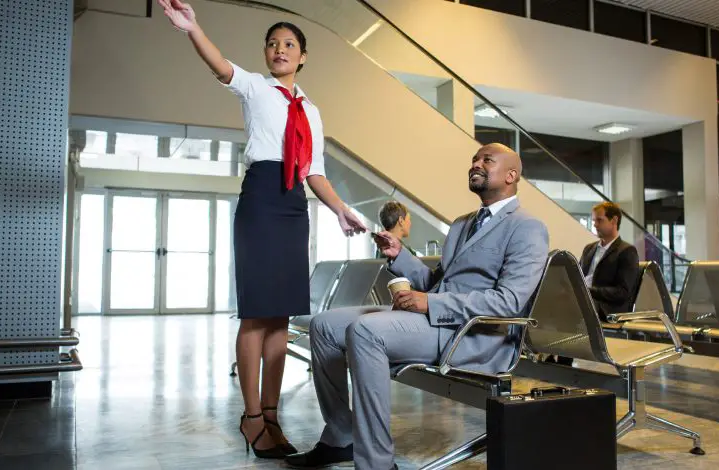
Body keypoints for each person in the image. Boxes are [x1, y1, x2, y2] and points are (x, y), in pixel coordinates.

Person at [157, 0, 367, 459]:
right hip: (260, 198)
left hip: (295, 203)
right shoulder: (255, 87)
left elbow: (315, 171)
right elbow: (218, 61)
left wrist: (339, 210)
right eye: (272, 43)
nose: (279, 49)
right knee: (256, 313)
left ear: (303, 55)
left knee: (281, 315)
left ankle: (272, 416)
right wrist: (192, 28)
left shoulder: (311, 110)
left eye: (289, 43)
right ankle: (252, 417)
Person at [285, 143, 549, 470]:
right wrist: (400, 255)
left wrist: (431, 302)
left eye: (487, 160)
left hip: (474, 335)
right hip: (436, 320)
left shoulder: (527, 227)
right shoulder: (462, 224)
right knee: (324, 326)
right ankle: (341, 437)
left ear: (512, 175)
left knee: (365, 331)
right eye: (474, 159)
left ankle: (377, 464)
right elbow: (435, 281)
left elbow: (509, 302)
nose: (476, 164)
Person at [580, 201, 640, 320]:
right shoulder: (589, 249)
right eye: (594, 221)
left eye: (600, 220)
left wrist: (589, 291)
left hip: (605, 310)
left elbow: (623, 292)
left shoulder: (627, 251)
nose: (595, 225)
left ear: (614, 221)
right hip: (585, 303)